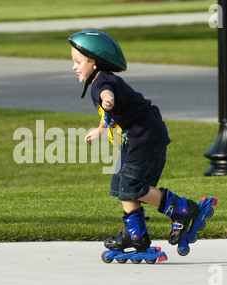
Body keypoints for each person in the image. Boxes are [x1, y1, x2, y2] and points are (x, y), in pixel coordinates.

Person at [69, 29, 200, 252]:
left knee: (134, 186)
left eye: (78, 61)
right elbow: (106, 112)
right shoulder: (102, 80)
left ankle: (182, 209)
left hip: (145, 138)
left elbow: (106, 95)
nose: (74, 67)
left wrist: (107, 99)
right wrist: (100, 130)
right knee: (122, 185)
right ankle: (135, 234)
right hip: (140, 138)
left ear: (95, 63)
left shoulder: (103, 83)